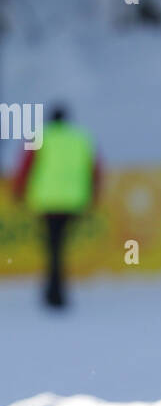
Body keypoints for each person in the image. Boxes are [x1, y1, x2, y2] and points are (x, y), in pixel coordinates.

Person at [12, 104, 101, 308]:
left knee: (53, 247)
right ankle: (56, 290)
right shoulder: (81, 138)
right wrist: (93, 196)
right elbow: (94, 169)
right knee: (59, 247)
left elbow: (26, 165)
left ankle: (54, 292)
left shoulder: (39, 136)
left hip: (47, 202)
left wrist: (18, 191)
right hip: (73, 201)